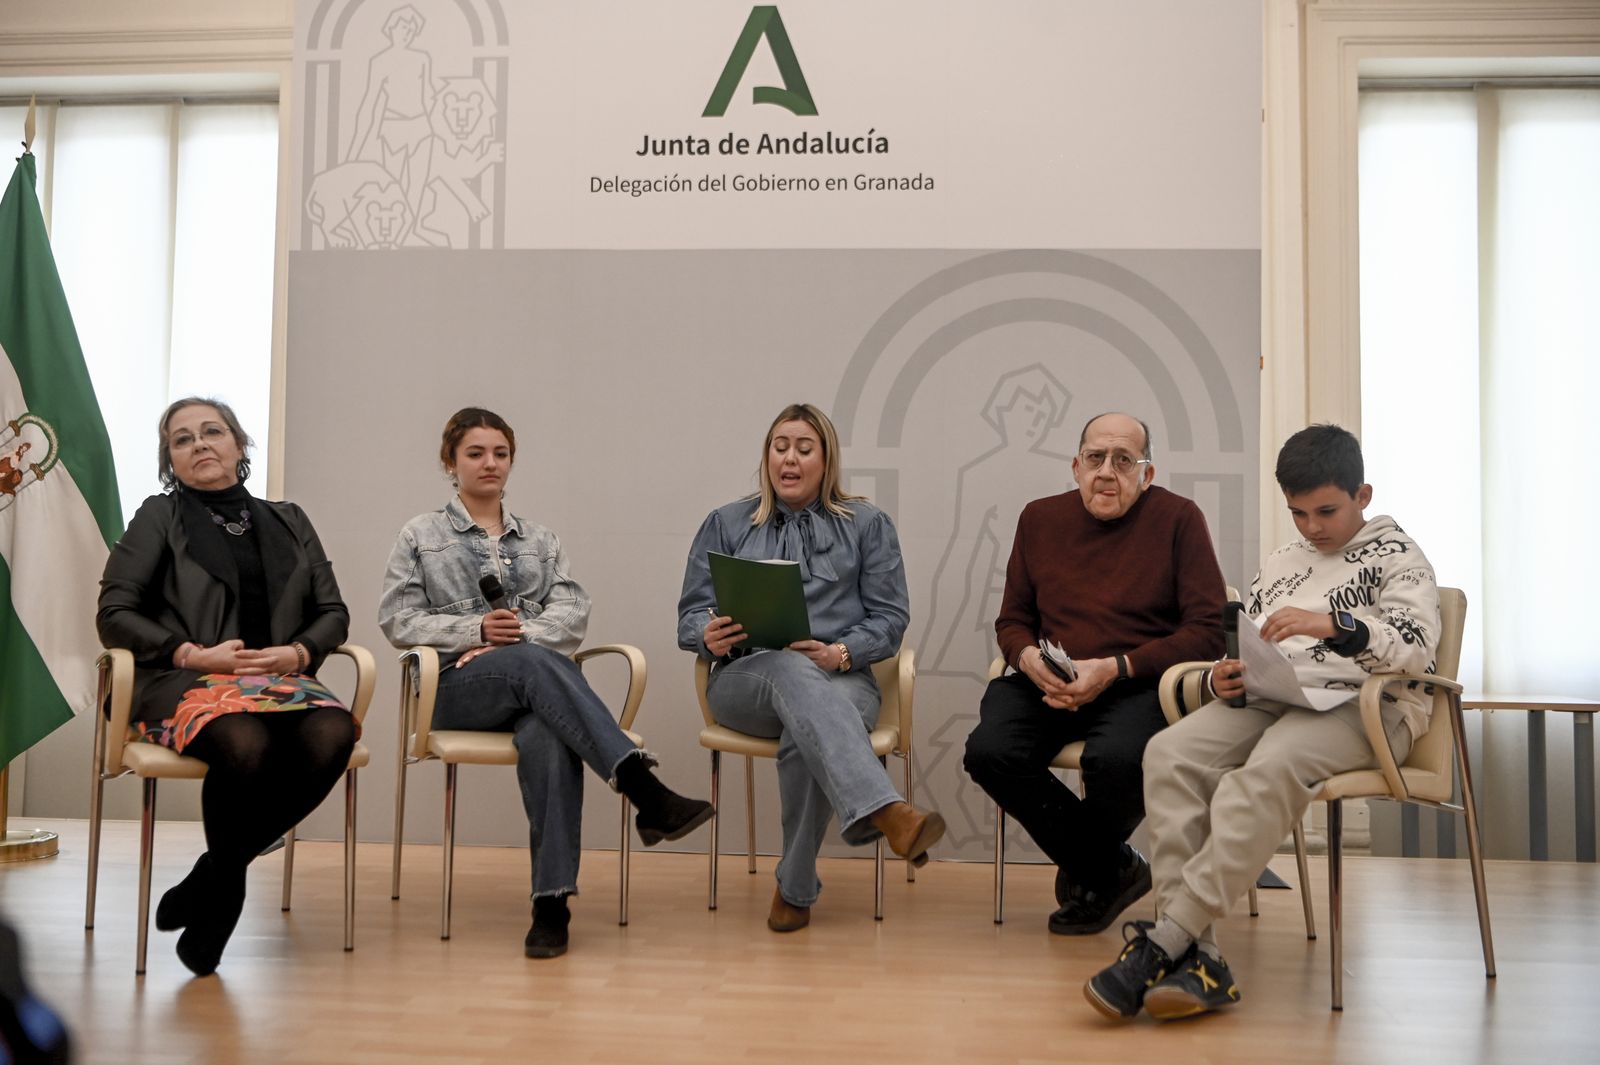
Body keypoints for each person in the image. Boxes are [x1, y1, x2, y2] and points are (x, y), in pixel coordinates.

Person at [1085, 424, 1441, 1021]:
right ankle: (1200, 958)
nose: (1312, 528)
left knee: (1265, 771)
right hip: (1279, 694)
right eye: (1297, 513)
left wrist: (1335, 625)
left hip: (1366, 708)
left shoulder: (1400, 558)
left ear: (1364, 494)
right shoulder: (1284, 562)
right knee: (1169, 755)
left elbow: (1415, 647)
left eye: (1326, 511)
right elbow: (1245, 639)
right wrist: (1220, 675)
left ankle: (1166, 941)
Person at [379, 407, 713, 959]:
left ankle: (551, 906)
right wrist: (474, 630)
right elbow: (398, 620)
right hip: (452, 691)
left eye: (501, 453)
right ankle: (643, 790)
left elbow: (572, 615)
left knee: (548, 733)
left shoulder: (541, 539)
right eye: (476, 453)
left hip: (531, 691)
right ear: (450, 462)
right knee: (534, 662)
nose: (490, 463)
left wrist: (513, 637)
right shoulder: (421, 534)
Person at [97, 398, 356, 977]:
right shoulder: (158, 516)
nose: (200, 445)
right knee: (245, 745)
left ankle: (212, 876)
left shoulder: (289, 518)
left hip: (279, 679)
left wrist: (300, 652)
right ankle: (223, 907)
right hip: (182, 676)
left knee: (335, 730)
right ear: (171, 460)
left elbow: (333, 612)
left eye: (212, 432)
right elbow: (114, 611)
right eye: (182, 440)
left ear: (239, 445)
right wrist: (192, 653)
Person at [677, 402, 945, 933]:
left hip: (843, 677)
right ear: (767, 456)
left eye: (804, 448)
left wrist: (839, 653)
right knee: (789, 670)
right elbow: (688, 615)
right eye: (781, 447)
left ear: (827, 460)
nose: (790, 459)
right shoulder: (726, 522)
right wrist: (706, 633)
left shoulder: (869, 525)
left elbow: (891, 618)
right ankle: (884, 808)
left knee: (811, 722)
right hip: (744, 679)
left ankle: (794, 887)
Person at [963, 411, 1226, 936]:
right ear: (1076, 466)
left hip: (1138, 681)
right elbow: (1013, 620)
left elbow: (1209, 630)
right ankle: (1111, 869)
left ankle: (1091, 871)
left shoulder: (1179, 519)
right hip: (1051, 679)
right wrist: (1029, 660)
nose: (1107, 471)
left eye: (1124, 460)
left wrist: (1116, 667)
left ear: (1146, 474)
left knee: (1119, 760)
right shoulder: (1039, 518)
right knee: (989, 751)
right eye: (1095, 458)